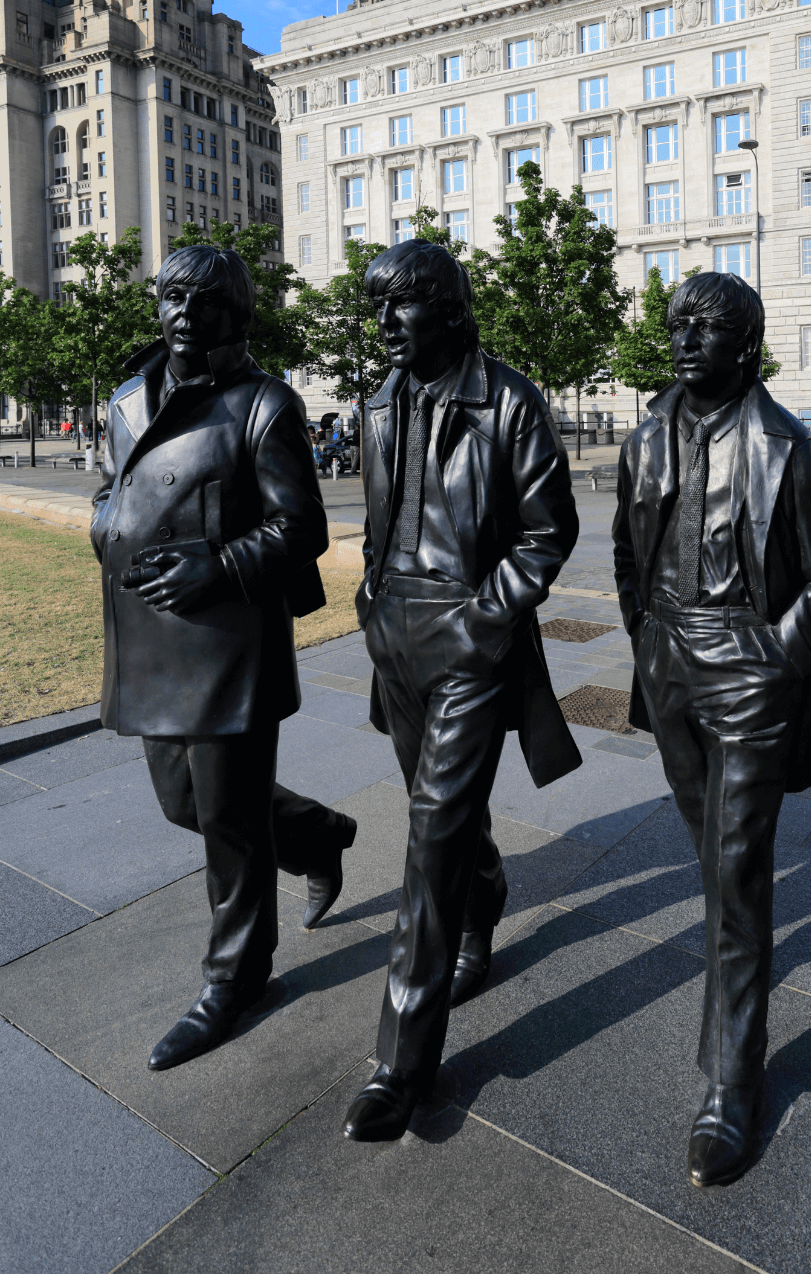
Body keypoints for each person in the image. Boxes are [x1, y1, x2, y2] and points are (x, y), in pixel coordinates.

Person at [91, 246, 357, 1072]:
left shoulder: (263, 404)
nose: (185, 313)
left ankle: (235, 979)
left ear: (236, 316)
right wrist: (104, 524)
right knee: (186, 806)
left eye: (206, 302)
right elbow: (109, 486)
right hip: (146, 634)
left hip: (227, 643)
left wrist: (221, 562)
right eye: (174, 297)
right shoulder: (129, 399)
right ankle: (319, 835)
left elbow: (302, 527)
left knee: (230, 827)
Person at [341, 240, 581, 1144]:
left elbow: (545, 532)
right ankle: (485, 897)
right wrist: (369, 596)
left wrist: (486, 622)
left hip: (469, 636)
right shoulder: (376, 402)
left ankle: (401, 1063)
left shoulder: (509, 402)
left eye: (400, 306)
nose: (386, 325)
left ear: (444, 305)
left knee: (432, 829)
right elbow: (374, 521)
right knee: (440, 813)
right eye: (379, 310)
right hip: (394, 632)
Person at [612, 270, 811, 1187]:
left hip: (748, 660)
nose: (684, 339)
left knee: (735, 867)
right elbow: (625, 553)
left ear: (748, 342)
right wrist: (648, 638)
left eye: (706, 326)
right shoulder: (644, 438)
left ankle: (730, 1079)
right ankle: (738, 983)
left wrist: (776, 653)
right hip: (668, 656)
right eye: (676, 325)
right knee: (713, 858)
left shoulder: (789, 445)